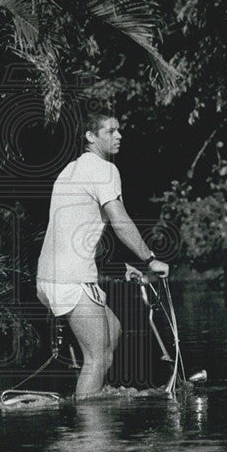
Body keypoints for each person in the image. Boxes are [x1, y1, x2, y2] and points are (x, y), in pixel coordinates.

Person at [36, 113, 170, 397]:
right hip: (70, 280)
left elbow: (76, 234)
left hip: (54, 277)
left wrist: (120, 268)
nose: (119, 136)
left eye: (119, 130)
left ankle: (98, 402)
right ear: (91, 136)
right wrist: (149, 260)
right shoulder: (104, 170)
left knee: (113, 328)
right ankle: (89, 432)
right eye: (110, 131)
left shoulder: (70, 170)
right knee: (97, 357)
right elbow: (119, 220)